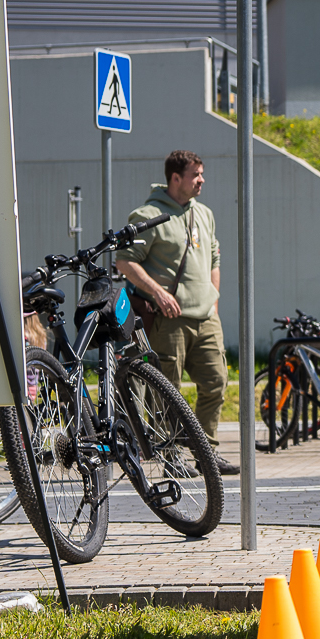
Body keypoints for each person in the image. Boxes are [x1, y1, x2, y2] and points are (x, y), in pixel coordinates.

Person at [117, 150, 236, 476]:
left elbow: (214, 259)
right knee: (167, 389)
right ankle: (169, 454)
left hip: (206, 317)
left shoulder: (204, 214)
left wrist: (214, 300)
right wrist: (158, 292)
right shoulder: (149, 214)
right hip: (169, 320)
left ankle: (206, 453)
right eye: (196, 175)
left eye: (201, 174)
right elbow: (125, 261)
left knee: (216, 382)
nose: (202, 180)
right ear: (175, 179)